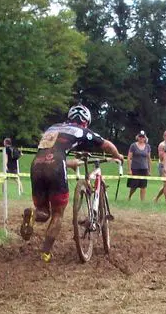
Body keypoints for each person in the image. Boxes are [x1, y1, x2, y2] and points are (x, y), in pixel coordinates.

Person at [19, 104, 124, 262]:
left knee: (43, 211)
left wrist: (70, 161)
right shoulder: (81, 130)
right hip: (56, 166)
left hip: (36, 165)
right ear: (86, 121)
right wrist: (118, 156)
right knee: (57, 213)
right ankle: (45, 253)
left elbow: (52, 151)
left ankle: (33, 215)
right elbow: (107, 145)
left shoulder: (53, 128)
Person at [126, 130, 152, 201]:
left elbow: (149, 159)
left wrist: (149, 170)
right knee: (134, 186)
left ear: (145, 138)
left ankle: (142, 201)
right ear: (138, 137)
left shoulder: (147, 146)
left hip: (144, 168)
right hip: (135, 168)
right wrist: (129, 170)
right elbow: (129, 157)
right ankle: (129, 197)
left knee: (143, 186)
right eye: (140, 136)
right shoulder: (133, 145)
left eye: (143, 137)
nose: (141, 138)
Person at [151, 129, 166, 203]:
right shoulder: (162, 145)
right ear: (163, 136)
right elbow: (161, 157)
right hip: (163, 165)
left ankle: (156, 198)